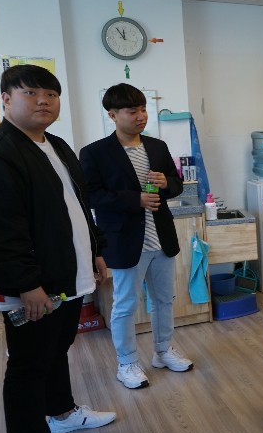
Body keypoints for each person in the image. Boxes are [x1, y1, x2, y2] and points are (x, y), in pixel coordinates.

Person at [0, 65, 115, 433]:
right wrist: (26, 284)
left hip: (65, 275)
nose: (43, 101)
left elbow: (77, 209)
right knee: (28, 364)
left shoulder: (56, 145)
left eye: (51, 94)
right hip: (33, 286)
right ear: (5, 99)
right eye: (30, 93)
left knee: (56, 350)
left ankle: (62, 411)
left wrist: (95, 251)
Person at [80, 83, 192, 390]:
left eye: (143, 109)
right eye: (132, 111)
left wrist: (166, 183)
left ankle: (163, 351)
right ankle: (127, 363)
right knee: (125, 304)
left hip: (161, 238)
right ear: (113, 115)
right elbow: (91, 196)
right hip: (126, 241)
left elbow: (176, 184)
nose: (141, 116)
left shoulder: (157, 147)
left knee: (164, 300)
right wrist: (135, 199)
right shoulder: (95, 153)